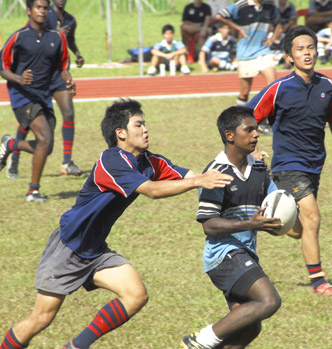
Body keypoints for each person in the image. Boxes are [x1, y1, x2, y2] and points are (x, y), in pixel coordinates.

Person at [0, 98, 233, 349]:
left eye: (144, 124)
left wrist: (239, 160)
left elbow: (197, 175)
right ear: (120, 133)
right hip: (68, 248)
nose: (146, 130)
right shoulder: (111, 161)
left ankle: (77, 346)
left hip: (95, 251)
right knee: (41, 318)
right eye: (138, 125)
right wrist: (197, 183)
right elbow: (153, 190)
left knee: (135, 295)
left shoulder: (148, 161)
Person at [247, 26, 332, 296]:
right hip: (287, 166)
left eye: (310, 48)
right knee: (313, 217)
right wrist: (252, 150)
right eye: (300, 49)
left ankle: (264, 219)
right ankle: (319, 282)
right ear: (289, 57)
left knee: (296, 229)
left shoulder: (328, 86)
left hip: (314, 165)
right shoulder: (279, 89)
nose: (307, 53)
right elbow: (246, 119)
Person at [181, 106, 283, 349]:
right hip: (223, 256)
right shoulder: (216, 173)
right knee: (269, 301)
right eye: (249, 130)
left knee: (250, 327)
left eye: (256, 129)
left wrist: (285, 217)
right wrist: (251, 223)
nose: (256, 135)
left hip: (245, 253)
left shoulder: (258, 168)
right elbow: (209, 225)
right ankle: (199, 340)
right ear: (230, 135)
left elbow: (275, 202)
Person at [0, 0, 73, 202]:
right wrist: (19, 79)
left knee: (46, 147)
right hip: (22, 95)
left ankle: (11, 144)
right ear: (29, 11)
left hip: (44, 95)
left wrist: (69, 81)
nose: (42, 11)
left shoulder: (57, 38)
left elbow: (61, 66)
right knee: (44, 139)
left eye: (45, 8)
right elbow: (3, 68)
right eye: (38, 7)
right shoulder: (18, 37)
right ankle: (33, 191)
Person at [215, 0, 282, 135]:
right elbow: (219, 16)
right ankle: (239, 122)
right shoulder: (242, 4)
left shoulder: (269, 6)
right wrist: (238, 28)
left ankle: (265, 121)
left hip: (263, 51)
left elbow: (278, 24)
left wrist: (273, 38)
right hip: (245, 54)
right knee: (244, 92)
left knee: (273, 86)